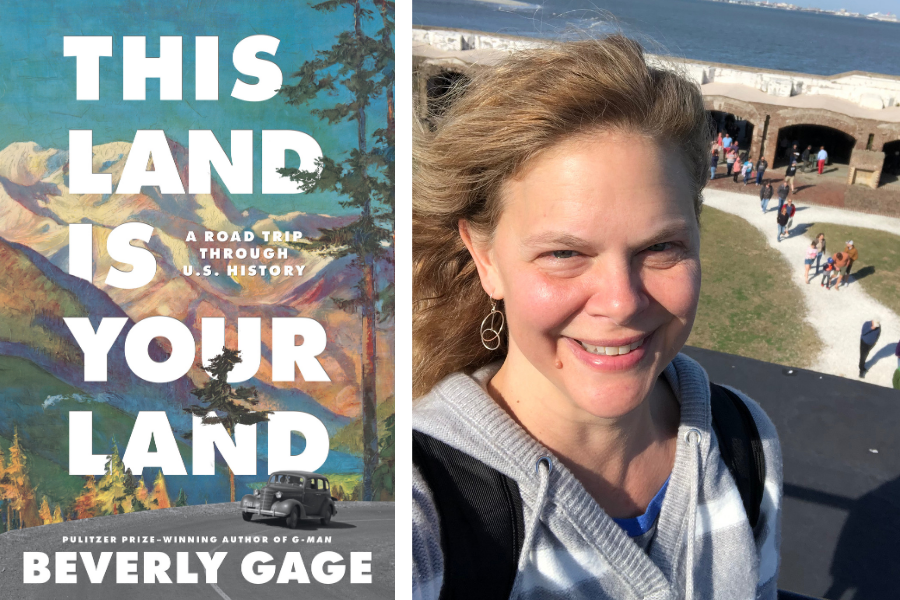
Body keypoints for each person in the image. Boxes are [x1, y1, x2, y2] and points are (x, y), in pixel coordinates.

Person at [413, 36, 782, 600]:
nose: (622, 302)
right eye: (564, 254)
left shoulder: (743, 440)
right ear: (486, 257)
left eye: (660, 248)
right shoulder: (421, 508)